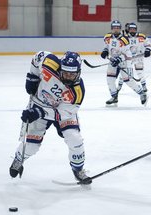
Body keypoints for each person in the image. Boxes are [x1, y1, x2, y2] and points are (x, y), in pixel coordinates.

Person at [9, 51, 92, 185]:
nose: (68, 77)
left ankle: (78, 170)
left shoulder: (77, 91)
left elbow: (64, 113)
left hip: (60, 112)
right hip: (38, 103)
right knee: (31, 146)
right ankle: (19, 158)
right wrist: (32, 76)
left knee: (74, 138)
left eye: (72, 74)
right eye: (65, 73)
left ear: (79, 72)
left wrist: (39, 112)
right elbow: (37, 57)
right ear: (60, 68)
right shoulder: (50, 63)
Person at [100, 20, 147, 106]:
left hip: (124, 62)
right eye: (114, 27)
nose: (116, 29)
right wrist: (105, 51)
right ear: (111, 28)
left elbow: (128, 53)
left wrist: (119, 59)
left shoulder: (124, 39)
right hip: (112, 61)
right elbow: (106, 46)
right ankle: (114, 97)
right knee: (110, 79)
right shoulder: (107, 37)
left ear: (120, 29)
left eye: (118, 28)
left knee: (128, 80)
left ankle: (142, 94)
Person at [117, 22, 151, 93]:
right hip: (128, 58)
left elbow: (147, 43)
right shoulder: (124, 37)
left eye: (134, 29)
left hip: (138, 57)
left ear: (136, 29)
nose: (132, 30)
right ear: (128, 29)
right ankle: (119, 86)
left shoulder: (141, 36)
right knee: (124, 72)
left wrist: (148, 50)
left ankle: (144, 86)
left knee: (140, 72)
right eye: (131, 29)